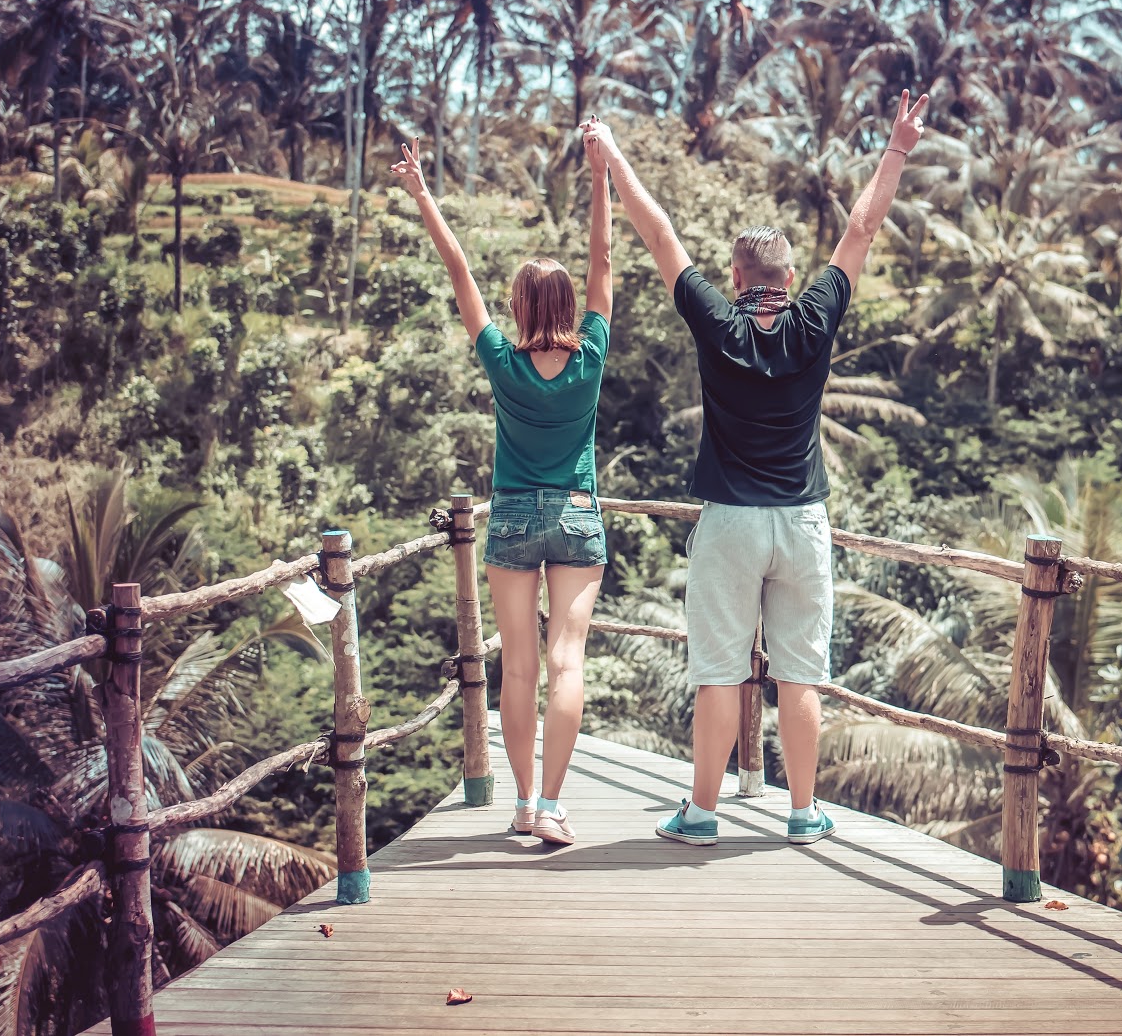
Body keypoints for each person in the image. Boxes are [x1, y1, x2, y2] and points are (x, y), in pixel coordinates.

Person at [580, 89, 929, 846]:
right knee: (800, 674)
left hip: (731, 522)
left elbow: (660, 231)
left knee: (719, 672)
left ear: (736, 279)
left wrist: (611, 159)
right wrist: (897, 144)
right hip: (802, 522)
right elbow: (864, 224)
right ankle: (803, 813)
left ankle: (701, 814)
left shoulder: (716, 319)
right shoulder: (816, 316)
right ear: (791, 273)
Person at [390, 131, 613, 847]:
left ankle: (521, 802)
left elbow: (458, 266)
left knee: (517, 666)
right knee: (566, 662)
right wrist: (601, 173)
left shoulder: (501, 360)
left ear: (517, 305)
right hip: (577, 515)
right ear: (571, 303)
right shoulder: (593, 356)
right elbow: (604, 258)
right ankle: (552, 802)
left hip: (513, 515)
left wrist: (422, 192)